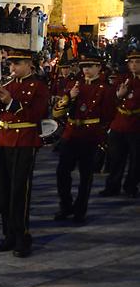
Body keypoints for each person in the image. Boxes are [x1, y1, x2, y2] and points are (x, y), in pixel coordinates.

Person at [0, 49, 50, 257]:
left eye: (17, 64)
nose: (12, 68)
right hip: (3, 139)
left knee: (19, 192)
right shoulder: (8, 85)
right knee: (4, 191)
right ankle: (9, 235)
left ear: (29, 64)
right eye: (11, 64)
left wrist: (11, 103)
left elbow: (36, 115)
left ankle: (22, 237)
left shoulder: (39, 86)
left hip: (24, 141)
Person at [52, 50, 116, 222]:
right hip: (71, 133)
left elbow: (108, 116)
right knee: (62, 172)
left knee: (85, 176)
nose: (86, 70)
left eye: (90, 66)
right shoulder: (74, 86)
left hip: (90, 135)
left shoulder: (105, 89)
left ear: (99, 68)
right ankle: (65, 205)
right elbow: (57, 113)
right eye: (83, 66)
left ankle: (80, 210)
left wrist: (101, 138)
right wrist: (69, 97)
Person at [101, 51, 140, 197]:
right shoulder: (122, 79)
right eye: (131, 62)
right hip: (119, 123)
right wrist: (119, 95)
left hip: (136, 125)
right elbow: (109, 101)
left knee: (136, 160)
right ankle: (112, 186)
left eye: (137, 62)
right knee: (116, 158)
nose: (134, 65)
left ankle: (131, 186)